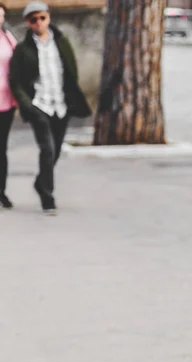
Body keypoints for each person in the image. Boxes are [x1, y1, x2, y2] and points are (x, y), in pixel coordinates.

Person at [9, 1, 91, 215]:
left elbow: (71, 71)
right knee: (47, 149)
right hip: (40, 105)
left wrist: (72, 97)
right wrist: (27, 104)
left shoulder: (61, 43)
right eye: (33, 19)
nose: (39, 23)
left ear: (49, 18)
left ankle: (40, 182)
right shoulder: (23, 49)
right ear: (28, 22)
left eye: (42, 18)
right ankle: (47, 196)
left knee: (54, 151)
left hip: (61, 104)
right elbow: (16, 81)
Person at [0, 2, 17, 209]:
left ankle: (1, 191)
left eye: (2, 15)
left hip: (6, 104)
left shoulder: (9, 38)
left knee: (1, 149)